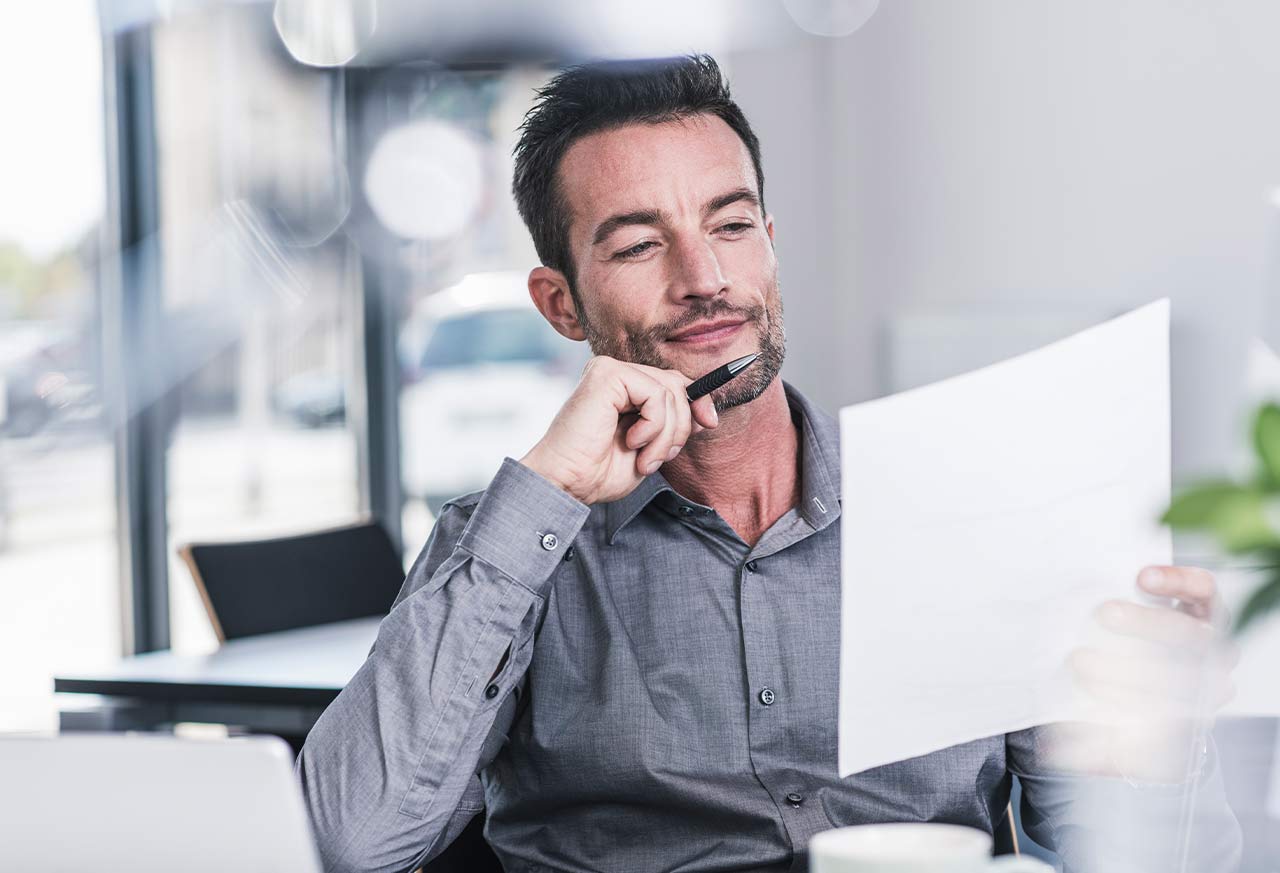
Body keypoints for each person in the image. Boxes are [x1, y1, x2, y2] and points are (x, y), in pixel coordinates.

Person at [296, 55, 1240, 873]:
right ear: (561, 305)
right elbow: (348, 844)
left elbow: (1138, 856)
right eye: (637, 243)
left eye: (732, 225)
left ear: (771, 247)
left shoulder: (969, 507)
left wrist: (1156, 746)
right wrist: (547, 490)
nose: (704, 276)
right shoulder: (507, 547)